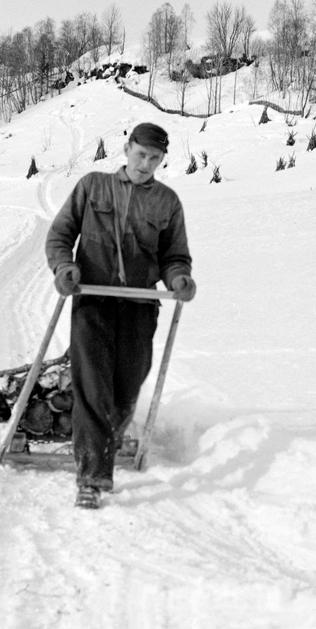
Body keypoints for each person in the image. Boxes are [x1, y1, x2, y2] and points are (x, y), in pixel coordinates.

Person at [45, 122, 196, 507]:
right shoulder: (92, 187)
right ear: (127, 149)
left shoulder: (167, 202)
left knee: (127, 387)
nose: (146, 164)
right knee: (93, 386)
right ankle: (92, 478)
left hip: (139, 305)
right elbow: (60, 235)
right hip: (92, 300)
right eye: (141, 154)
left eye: (155, 158)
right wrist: (65, 269)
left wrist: (179, 278)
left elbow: (174, 256)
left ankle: (103, 445)